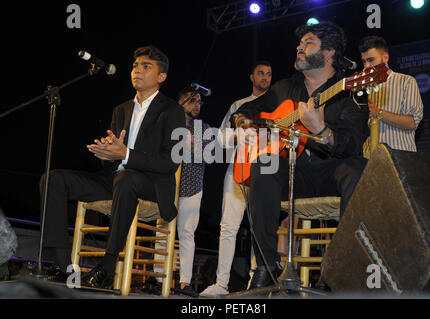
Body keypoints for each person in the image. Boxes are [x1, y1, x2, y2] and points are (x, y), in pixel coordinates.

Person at [230, 22, 369, 289]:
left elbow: (352, 143)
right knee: (263, 163)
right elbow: (248, 109)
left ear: (328, 52)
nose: (299, 47)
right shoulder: (284, 88)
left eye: (308, 43)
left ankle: (340, 270)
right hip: (294, 176)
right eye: (300, 43)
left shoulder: (351, 89)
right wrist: (243, 124)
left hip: (331, 171)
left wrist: (323, 131)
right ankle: (267, 268)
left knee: (359, 168)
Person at [40, 45, 185, 289]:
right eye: (135, 66)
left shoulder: (172, 111)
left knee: (127, 179)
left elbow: (170, 162)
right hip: (116, 180)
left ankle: (107, 267)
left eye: (145, 67)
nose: (137, 70)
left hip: (152, 184)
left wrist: (125, 154)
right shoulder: (121, 109)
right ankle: (64, 265)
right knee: (52, 179)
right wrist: (106, 154)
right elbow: (113, 162)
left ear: (161, 77)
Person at [200, 61, 272, 297]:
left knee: (259, 229)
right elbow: (220, 139)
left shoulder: (275, 105)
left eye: (269, 74)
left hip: (266, 172)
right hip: (238, 170)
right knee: (228, 227)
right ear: (251, 77)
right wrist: (237, 134)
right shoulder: (238, 105)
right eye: (260, 73)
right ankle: (221, 284)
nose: (265, 77)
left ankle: (255, 283)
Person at [172, 86, 214, 296]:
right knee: (162, 231)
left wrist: (191, 142)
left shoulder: (204, 128)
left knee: (186, 233)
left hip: (192, 185)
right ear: (180, 102)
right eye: (192, 100)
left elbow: (208, 156)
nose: (197, 105)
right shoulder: (169, 123)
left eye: (199, 101)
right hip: (167, 186)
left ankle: (184, 283)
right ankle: (158, 277)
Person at [359, 35, 423, 152]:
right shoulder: (363, 89)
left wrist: (378, 113)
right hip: (371, 160)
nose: (367, 66)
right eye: (364, 61)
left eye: (371, 60)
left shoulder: (406, 81)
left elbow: (412, 122)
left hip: (401, 157)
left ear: (385, 58)